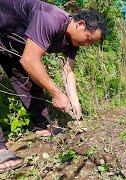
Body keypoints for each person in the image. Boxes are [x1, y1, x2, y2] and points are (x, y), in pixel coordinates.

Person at [0, 0, 107, 172]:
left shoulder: (73, 41)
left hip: (10, 42)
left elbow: (68, 72)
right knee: (32, 67)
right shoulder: (50, 18)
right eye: (88, 39)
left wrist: (75, 104)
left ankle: (42, 126)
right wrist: (56, 93)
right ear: (80, 24)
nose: (87, 45)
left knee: (29, 80)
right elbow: (30, 59)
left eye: (91, 44)